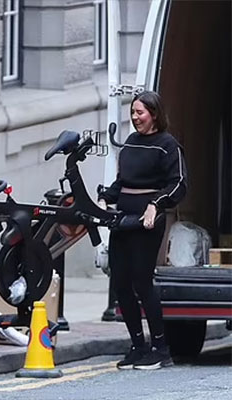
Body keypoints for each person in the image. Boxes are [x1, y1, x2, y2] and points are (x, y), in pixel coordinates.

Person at [99, 90, 187, 370]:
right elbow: (121, 182)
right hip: (122, 221)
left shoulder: (168, 145)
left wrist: (155, 204)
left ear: (155, 115)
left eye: (140, 113)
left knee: (141, 282)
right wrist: (105, 199)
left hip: (147, 222)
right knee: (121, 283)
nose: (135, 118)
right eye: (133, 112)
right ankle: (138, 346)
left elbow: (178, 184)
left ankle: (161, 349)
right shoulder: (130, 143)